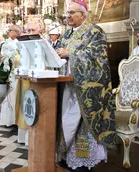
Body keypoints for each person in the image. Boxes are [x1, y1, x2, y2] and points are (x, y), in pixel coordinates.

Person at [56, 1, 116, 171]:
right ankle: (66, 155)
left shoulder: (95, 32)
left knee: (82, 125)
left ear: (82, 14)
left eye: (71, 13)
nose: (67, 16)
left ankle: (82, 160)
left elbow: (97, 57)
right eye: (66, 13)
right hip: (66, 86)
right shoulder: (66, 34)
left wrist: (70, 53)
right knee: (65, 120)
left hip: (87, 89)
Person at [15, 22, 43, 145]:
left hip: (39, 80)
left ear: (40, 31)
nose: (30, 33)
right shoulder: (23, 44)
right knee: (25, 105)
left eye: (32, 30)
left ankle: (33, 138)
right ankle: (23, 137)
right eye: (27, 30)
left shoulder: (43, 44)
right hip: (25, 79)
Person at [0, 24, 22, 131]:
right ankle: (6, 120)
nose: (9, 32)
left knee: (15, 95)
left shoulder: (20, 43)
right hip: (8, 72)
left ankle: (15, 120)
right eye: (9, 30)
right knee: (7, 96)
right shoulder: (5, 43)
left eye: (11, 30)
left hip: (16, 73)